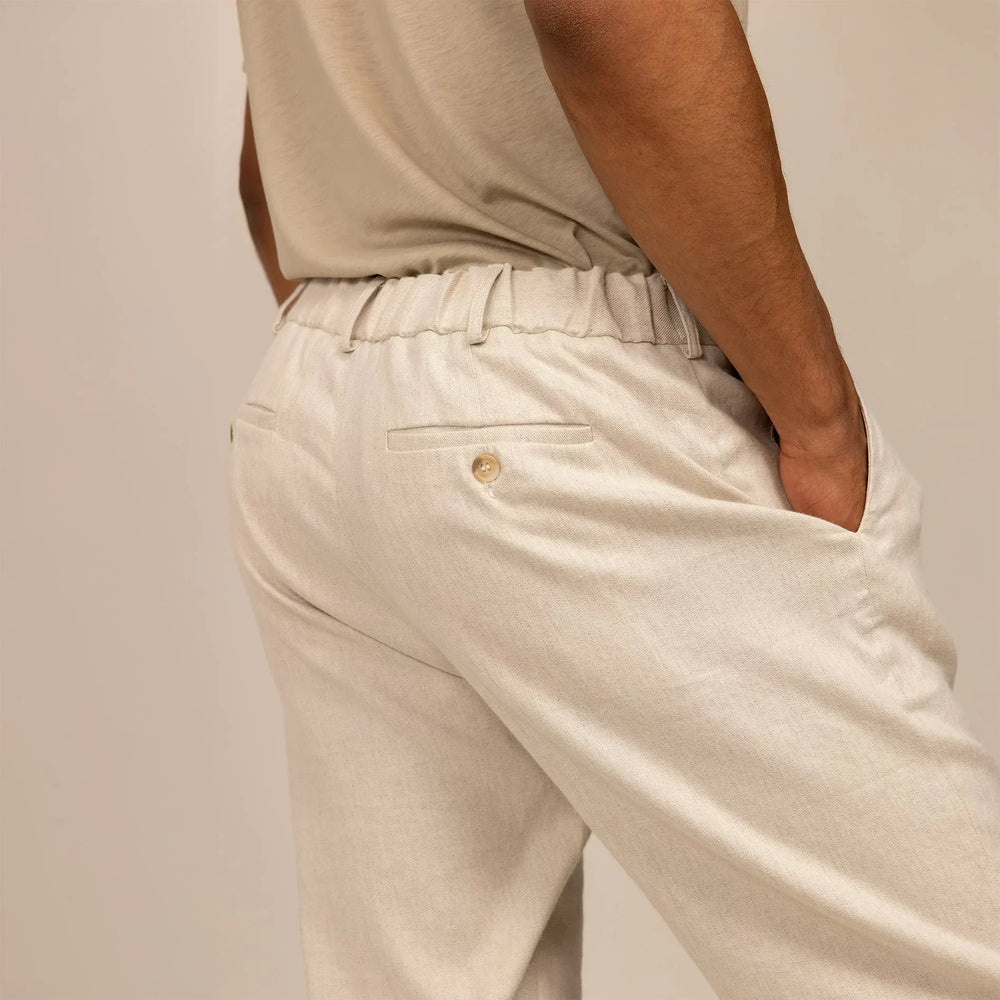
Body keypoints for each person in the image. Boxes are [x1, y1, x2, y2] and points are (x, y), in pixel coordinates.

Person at [228, 2, 1000, 998]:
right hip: (552, 385)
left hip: (316, 399)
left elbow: (270, 155)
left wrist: (379, 382)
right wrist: (818, 412)